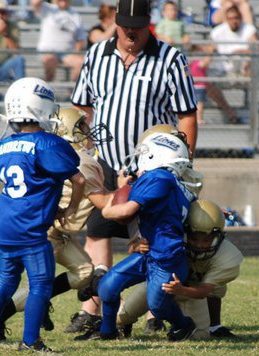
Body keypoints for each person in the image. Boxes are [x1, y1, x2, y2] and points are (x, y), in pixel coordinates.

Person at [69, 0, 198, 333]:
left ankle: (156, 311)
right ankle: (92, 309)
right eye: (125, 25)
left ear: (148, 22)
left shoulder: (170, 59)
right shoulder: (96, 54)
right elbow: (81, 106)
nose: (130, 32)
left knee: (153, 239)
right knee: (96, 232)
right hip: (107, 160)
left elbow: (186, 114)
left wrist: (183, 163)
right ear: (115, 19)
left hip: (153, 169)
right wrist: (86, 150)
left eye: (137, 27)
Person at [0, 78, 85, 352]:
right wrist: (71, 208)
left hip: (6, 226)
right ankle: (31, 340)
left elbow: (29, 182)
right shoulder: (47, 143)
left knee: (3, 283)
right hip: (32, 229)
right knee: (41, 285)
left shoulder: (3, 145)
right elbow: (78, 181)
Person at [0, 107, 113, 338]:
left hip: (55, 231)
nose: (88, 131)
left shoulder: (57, 151)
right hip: (43, 230)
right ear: (68, 129)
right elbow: (104, 201)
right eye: (82, 126)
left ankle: (36, 306)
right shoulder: (78, 159)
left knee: (85, 272)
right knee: (33, 285)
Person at [82, 131, 196, 342]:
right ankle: (108, 331)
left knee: (158, 307)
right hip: (151, 252)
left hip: (166, 258)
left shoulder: (159, 177)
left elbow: (126, 211)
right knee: (108, 286)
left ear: (156, 154)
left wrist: (106, 211)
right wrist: (123, 186)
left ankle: (183, 325)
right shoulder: (174, 182)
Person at [116, 199, 244, 339]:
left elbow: (206, 291)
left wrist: (181, 290)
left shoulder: (226, 256)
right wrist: (137, 247)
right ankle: (126, 320)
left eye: (207, 240)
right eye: (194, 239)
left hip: (191, 292)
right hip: (160, 285)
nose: (200, 245)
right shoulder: (168, 238)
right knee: (122, 318)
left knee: (199, 335)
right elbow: (131, 248)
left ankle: (213, 326)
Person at [32, 0, 87, 83]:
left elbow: (80, 38)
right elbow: (35, 2)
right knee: (51, 61)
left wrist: (77, 52)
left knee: (81, 63)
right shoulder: (47, 8)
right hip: (47, 51)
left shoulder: (76, 15)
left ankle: (72, 91)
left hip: (67, 53)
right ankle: (47, 87)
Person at [189, 45, 239, 124]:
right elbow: (206, 63)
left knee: (197, 103)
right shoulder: (197, 63)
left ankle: (197, 118)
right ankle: (198, 119)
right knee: (199, 103)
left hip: (195, 86)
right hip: (200, 86)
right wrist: (210, 53)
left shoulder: (191, 64)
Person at [210, 5, 258, 76]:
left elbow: (257, 49)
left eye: (236, 18)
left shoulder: (249, 29)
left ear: (241, 18)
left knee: (250, 64)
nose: (234, 21)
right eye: (230, 18)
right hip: (223, 72)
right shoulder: (217, 32)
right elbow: (209, 49)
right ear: (226, 19)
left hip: (243, 72)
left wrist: (239, 52)